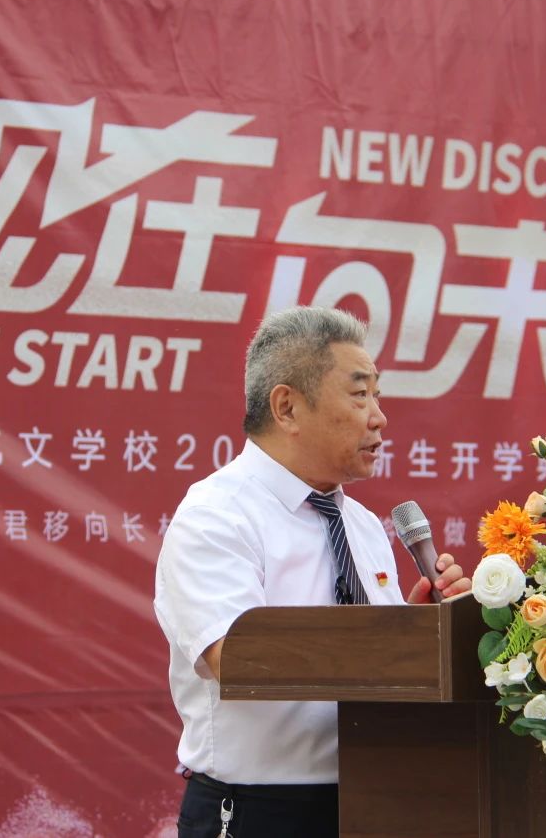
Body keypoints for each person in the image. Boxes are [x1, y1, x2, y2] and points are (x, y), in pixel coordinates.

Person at [154, 306, 472, 836]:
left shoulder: (363, 525)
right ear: (287, 407)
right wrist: (384, 645)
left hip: (376, 802)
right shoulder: (215, 515)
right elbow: (238, 658)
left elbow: (377, 674)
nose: (379, 417)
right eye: (360, 394)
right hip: (259, 811)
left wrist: (417, 634)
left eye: (378, 396)